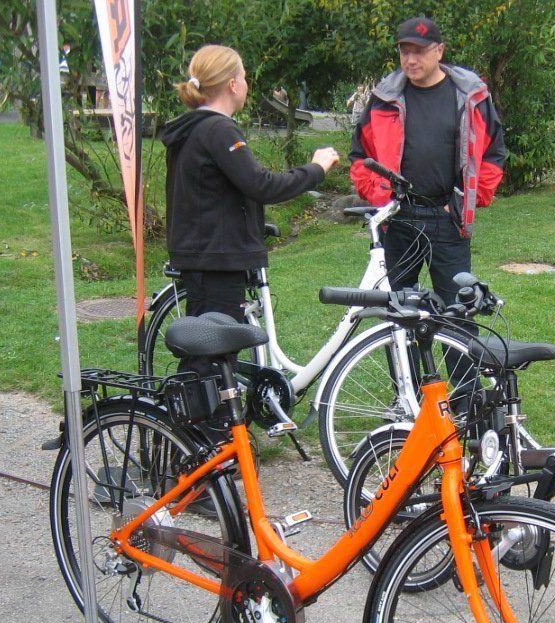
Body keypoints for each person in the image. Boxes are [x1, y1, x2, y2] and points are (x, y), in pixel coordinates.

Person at [161, 44, 339, 376]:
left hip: (207, 254)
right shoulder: (218, 129)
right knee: (211, 360)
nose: (246, 84)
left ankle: (205, 408)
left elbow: (217, 192)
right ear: (232, 84)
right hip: (216, 259)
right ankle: (195, 410)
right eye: (243, 77)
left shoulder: (197, 127)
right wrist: (316, 169)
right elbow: (261, 185)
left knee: (213, 354)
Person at [349, 16, 505, 308]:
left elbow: (493, 155)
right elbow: (360, 156)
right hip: (398, 219)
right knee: (398, 313)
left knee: (458, 311)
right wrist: (381, 196)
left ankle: (456, 342)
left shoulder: (470, 98)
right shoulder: (384, 98)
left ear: (439, 51)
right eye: (405, 52)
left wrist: (465, 200)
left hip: (447, 219)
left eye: (419, 51)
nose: (411, 60)